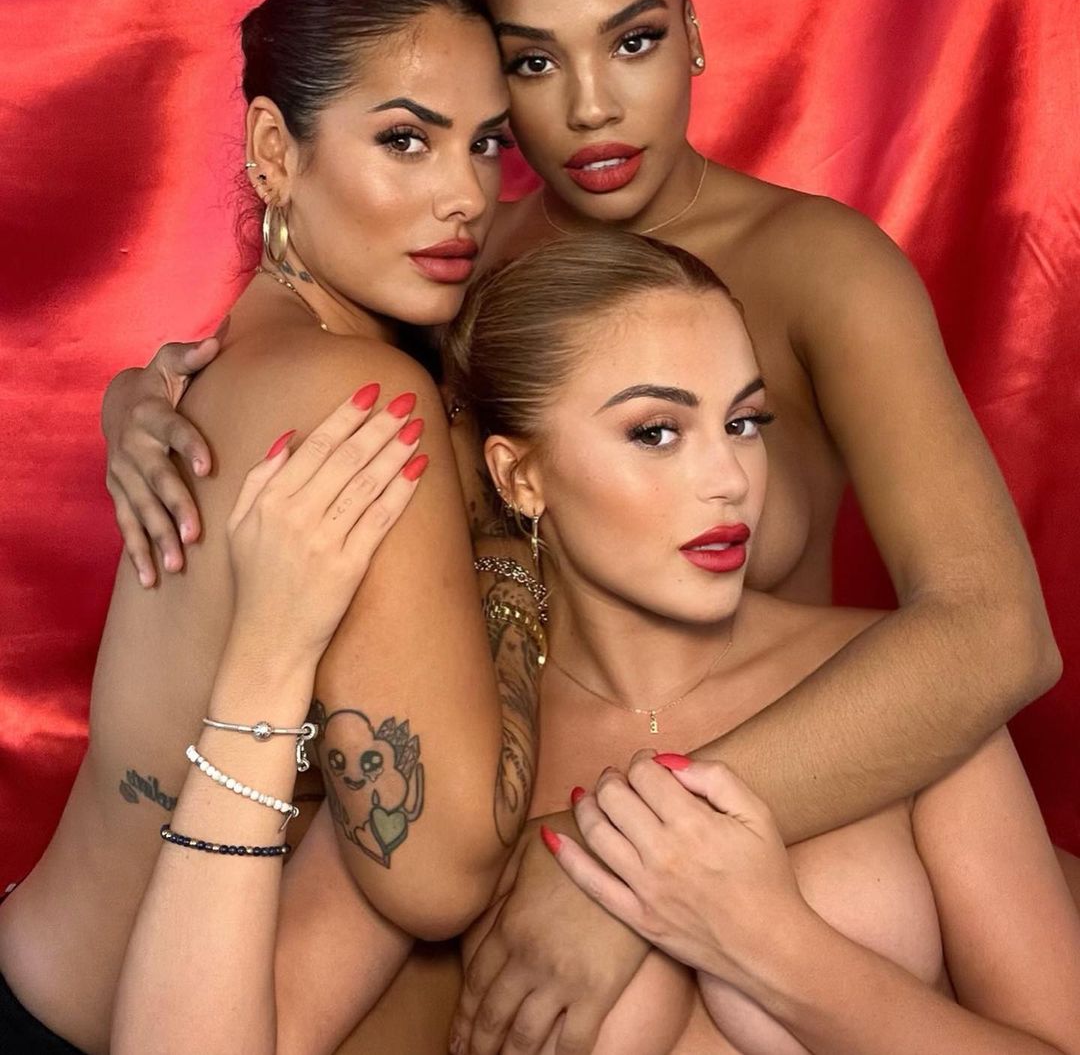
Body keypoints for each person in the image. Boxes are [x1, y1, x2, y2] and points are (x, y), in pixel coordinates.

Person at [99, 0, 1066, 1048]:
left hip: (816, 798)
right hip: (525, 775)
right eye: (533, 62)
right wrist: (144, 400)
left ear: (694, 31)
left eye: (635, 39)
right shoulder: (460, 272)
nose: (593, 104)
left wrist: (630, 863)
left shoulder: (823, 267)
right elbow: (307, 364)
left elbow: (997, 630)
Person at [116, 230, 1080, 1054]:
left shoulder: (898, 692)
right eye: (656, 431)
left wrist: (772, 946)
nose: (730, 478)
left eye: (745, 422)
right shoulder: (466, 754)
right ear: (519, 475)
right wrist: (269, 657)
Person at [0, 0, 546, 1055]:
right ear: (272, 151)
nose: (466, 195)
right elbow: (440, 871)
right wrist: (517, 539)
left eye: (487, 143)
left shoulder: (234, 365)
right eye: (406, 138)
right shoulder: (361, 396)